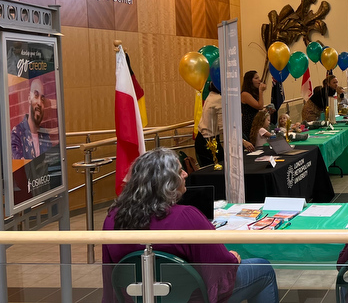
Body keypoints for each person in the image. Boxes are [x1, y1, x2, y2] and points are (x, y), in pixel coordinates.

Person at [102, 148, 278, 303]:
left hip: (136, 297)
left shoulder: (112, 218)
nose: (186, 174)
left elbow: (110, 275)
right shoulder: (186, 216)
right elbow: (220, 266)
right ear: (167, 181)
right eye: (180, 171)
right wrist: (233, 259)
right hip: (191, 298)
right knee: (263, 268)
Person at [11, 78, 56, 160]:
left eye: (42, 99)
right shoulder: (17, 134)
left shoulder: (45, 136)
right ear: (29, 99)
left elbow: (50, 163)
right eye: (36, 95)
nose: (39, 102)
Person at [195, 83, 223, 167]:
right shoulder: (218, 99)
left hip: (202, 138)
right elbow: (223, 128)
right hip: (209, 142)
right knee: (218, 167)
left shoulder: (211, 95)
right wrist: (243, 141)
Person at [241, 70, 267, 142]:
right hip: (249, 122)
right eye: (256, 78)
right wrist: (261, 91)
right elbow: (260, 106)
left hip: (255, 121)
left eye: (259, 78)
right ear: (250, 81)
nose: (259, 80)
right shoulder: (245, 94)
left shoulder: (253, 93)